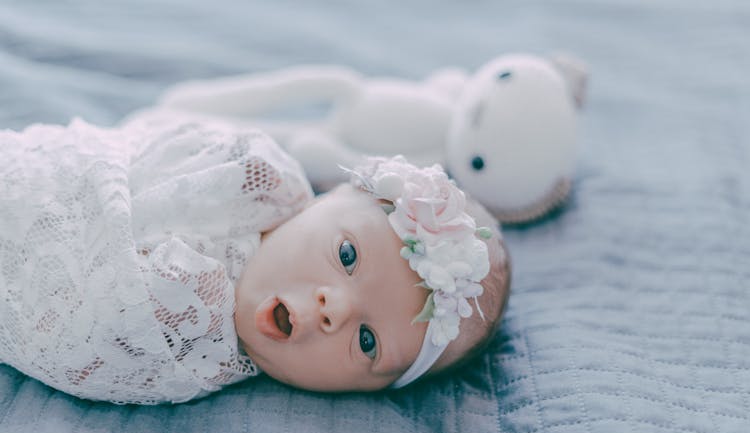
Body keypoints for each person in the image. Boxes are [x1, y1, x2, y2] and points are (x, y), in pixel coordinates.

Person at [0, 113, 510, 404]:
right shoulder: (257, 174)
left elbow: (81, 350)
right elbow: (150, 143)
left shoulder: (204, 361)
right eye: (348, 255)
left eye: (368, 340)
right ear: (322, 198)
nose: (335, 308)